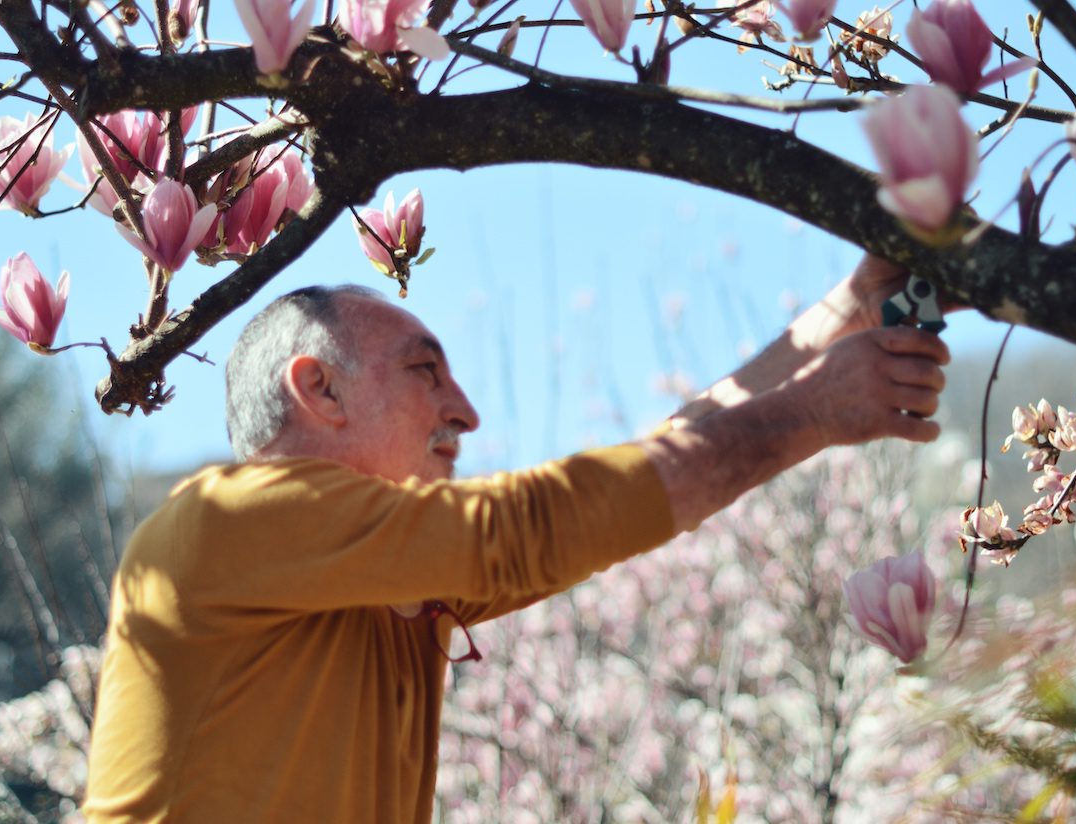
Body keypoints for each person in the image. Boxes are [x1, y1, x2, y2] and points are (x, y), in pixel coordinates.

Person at [83, 255, 950, 822]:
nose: (466, 411)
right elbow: (538, 526)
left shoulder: (394, 583)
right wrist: (810, 412)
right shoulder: (223, 520)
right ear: (320, 391)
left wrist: (841, 316)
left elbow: (640, 474)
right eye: (426, 371)